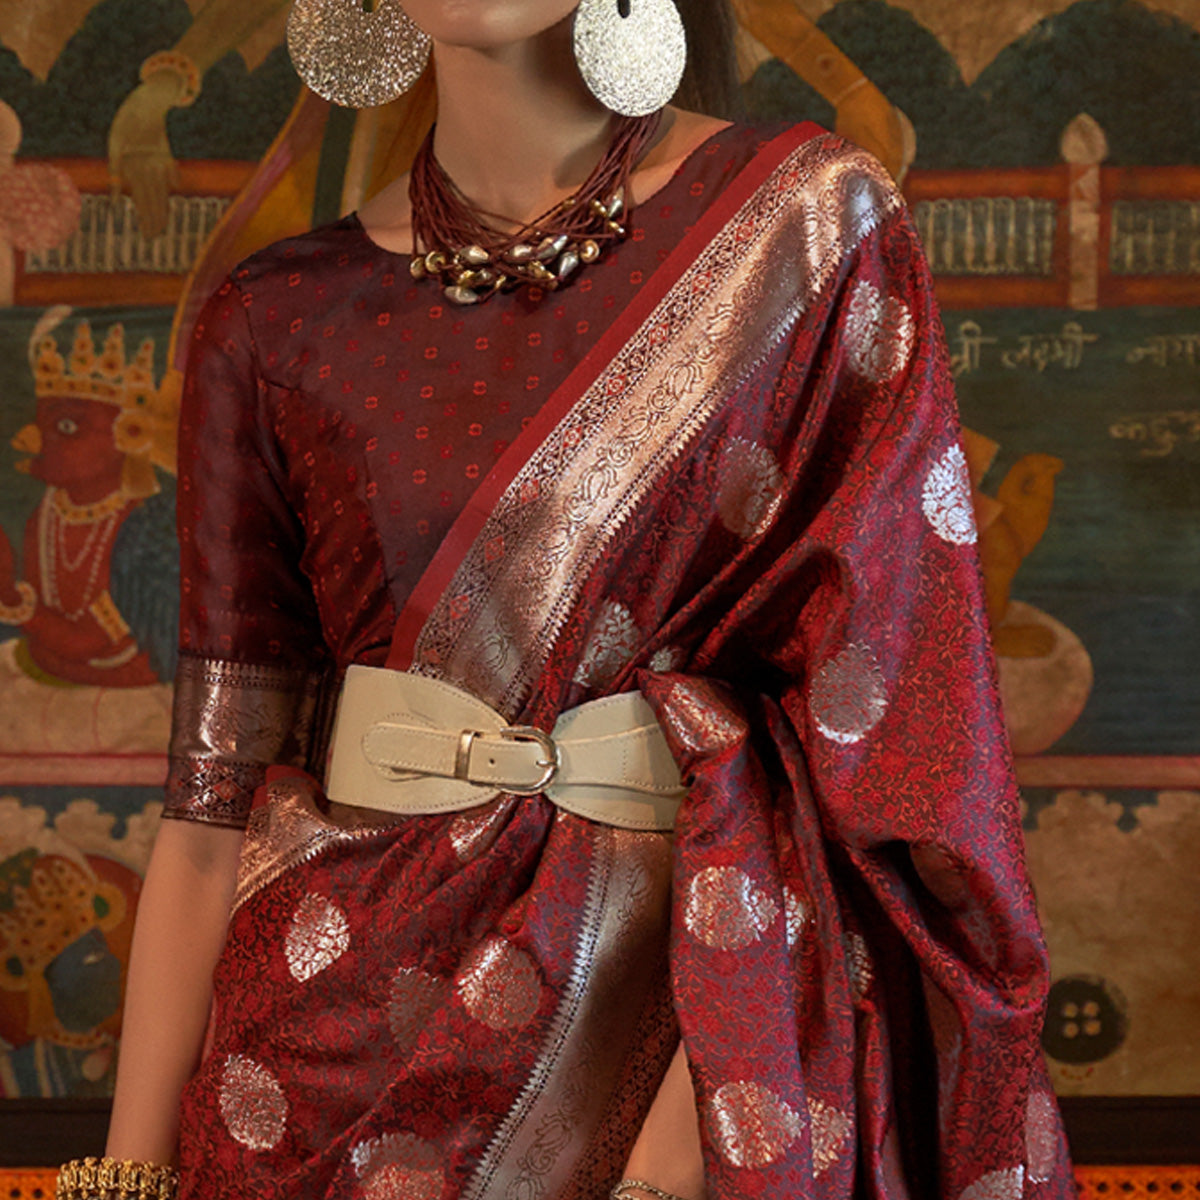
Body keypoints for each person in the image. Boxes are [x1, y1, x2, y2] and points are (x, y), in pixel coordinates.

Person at [57, 1, 1075, 1198]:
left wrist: (711, 1097)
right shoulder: (275, 313)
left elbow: (899, 716)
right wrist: (123, 1177)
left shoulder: (802, 223)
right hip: (318, 1072)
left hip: (694, 1010)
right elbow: (218, 793)